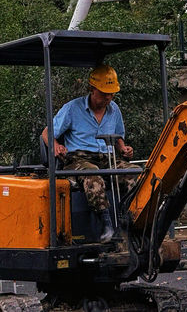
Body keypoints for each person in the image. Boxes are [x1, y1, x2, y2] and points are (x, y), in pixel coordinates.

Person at [42, 64, 134, 243]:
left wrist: (123, 148)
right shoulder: (72, 108)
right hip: (79, 159)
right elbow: (47, 133)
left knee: (135, 173)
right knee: (93, 176)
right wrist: (55, 146)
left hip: (107, 159)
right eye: (103, 93)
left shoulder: (114, 110)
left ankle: (130, 222)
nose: (108, 98)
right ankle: (106, 226)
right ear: (92, 89)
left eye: (111, 94)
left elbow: (118, 137)